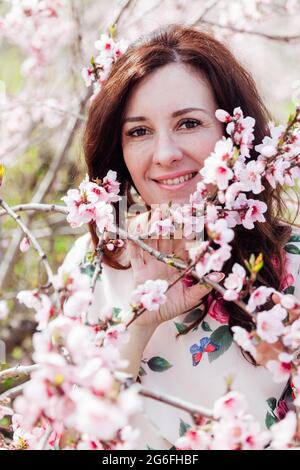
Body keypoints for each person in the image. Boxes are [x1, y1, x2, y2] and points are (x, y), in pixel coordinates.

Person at [62, 25, 300, 449]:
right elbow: (68, 438)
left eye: (188, 123)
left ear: (234, 136)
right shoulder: (89, 269)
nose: (166, 153)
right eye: (139, 131)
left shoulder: (293, 265)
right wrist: (138, 319)